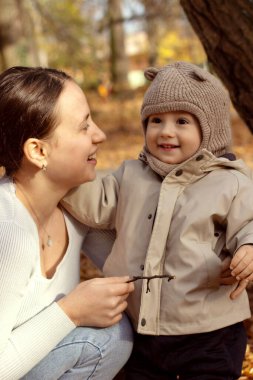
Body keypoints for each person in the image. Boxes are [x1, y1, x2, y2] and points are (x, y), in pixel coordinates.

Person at [62, 61, 253, 379]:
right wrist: (57, 174)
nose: (166, 131)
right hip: (141, 329)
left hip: (210, 331)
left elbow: (248, 221)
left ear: (210, 129)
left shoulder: (228, 180)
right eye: (155, 120)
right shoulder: (130, 175)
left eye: (181, 121)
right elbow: (93, 202)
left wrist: (248, 246)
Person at [0, 66, 135, 380]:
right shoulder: (9, 230)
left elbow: (133, 270)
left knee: (115, 331)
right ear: (38, 150)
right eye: (84, 126)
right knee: (98, 340)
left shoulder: (75, 206)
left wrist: (207, 265)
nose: (100, 135)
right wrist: (71, 311)